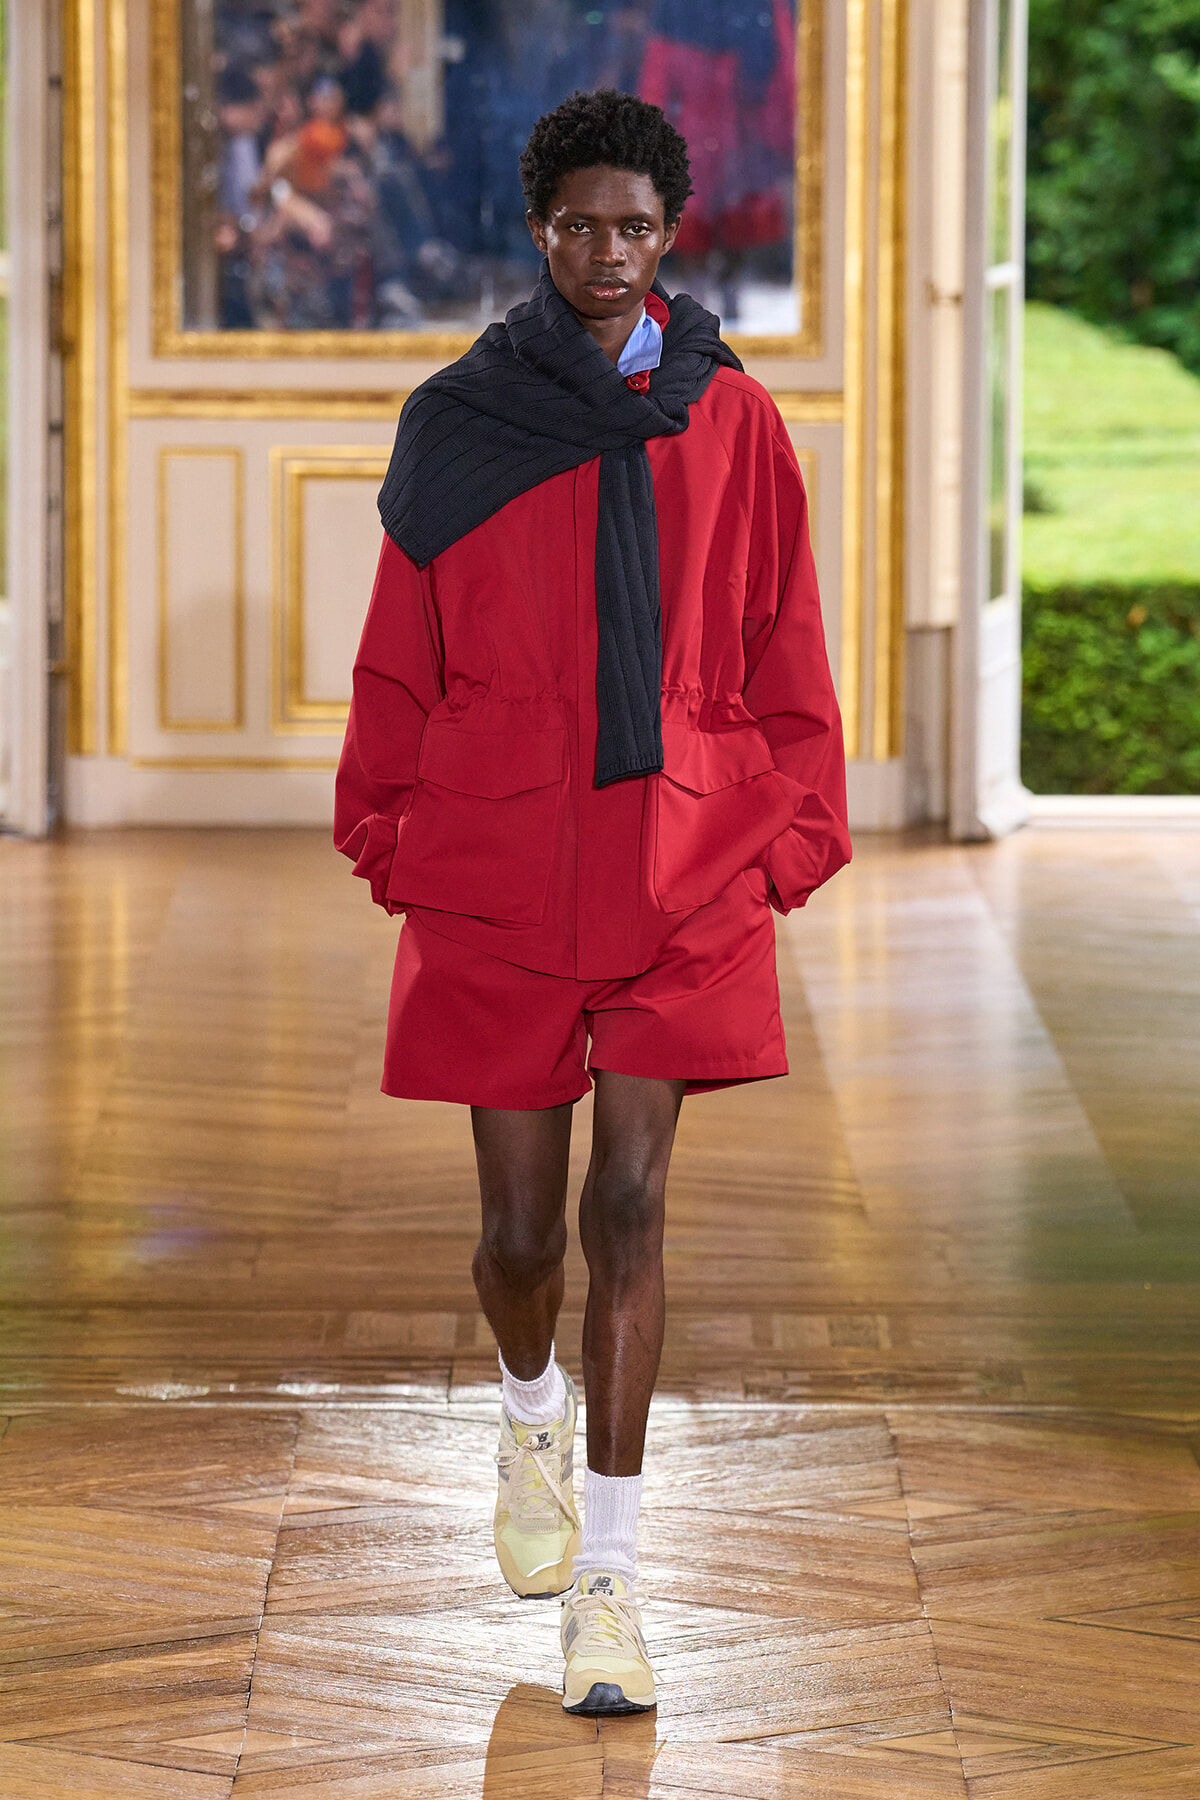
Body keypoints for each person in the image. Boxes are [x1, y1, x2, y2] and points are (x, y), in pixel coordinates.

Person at [334, 88, 849, 1717]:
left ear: (671, 232)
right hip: (494, 866)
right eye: (579, 224)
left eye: (637, 226)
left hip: (679, 862)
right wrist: (394, 835)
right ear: (538, 230)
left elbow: (783, 642)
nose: (609, 252)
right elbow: (397, 657)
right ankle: (526, 1404)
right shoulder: (458, 421)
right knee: (515, 1236)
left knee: (628, 1205)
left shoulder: (735, 420)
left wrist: (783, 838)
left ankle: (612, 1585)